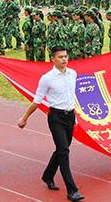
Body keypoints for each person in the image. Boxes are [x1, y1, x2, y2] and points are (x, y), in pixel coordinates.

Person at [18, 45, 83, 201]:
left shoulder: (73, 74)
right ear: (52, 59)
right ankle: (72, 190)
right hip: (56, 118)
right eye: (60, 57)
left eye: (66, 56)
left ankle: (48, 175)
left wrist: (75, 116)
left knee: (62, 149)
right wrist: (24, 117)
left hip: (69, 116)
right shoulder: (47, 78)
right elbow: (37, 101)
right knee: (64, 151)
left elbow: (71, 96)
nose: (64, 59)